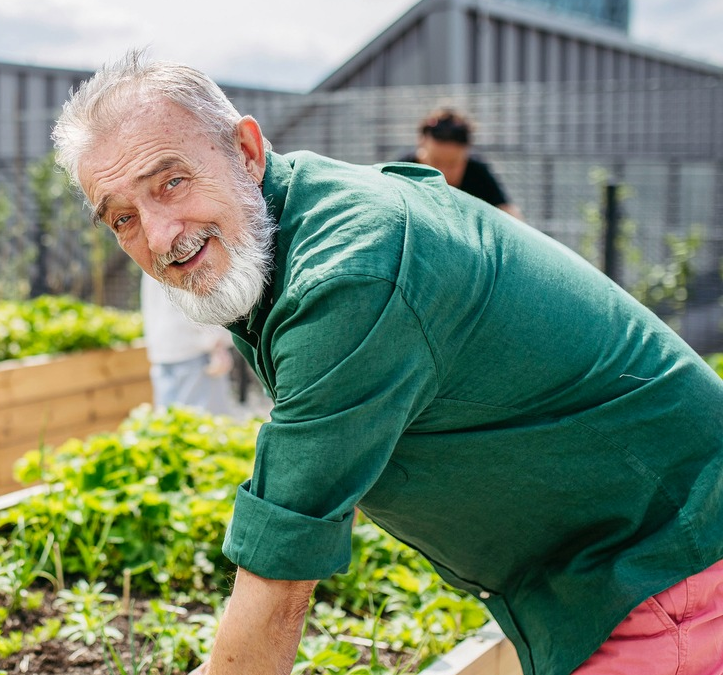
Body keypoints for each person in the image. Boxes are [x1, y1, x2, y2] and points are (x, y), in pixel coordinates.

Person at [52, 52, 723, 675]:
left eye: (170, 181)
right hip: (624, 569)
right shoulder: (285, 235)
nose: (160, 235)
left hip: (677, 567)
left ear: (247, 152)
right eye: (123, 219)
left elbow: (280, 575)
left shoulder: (348, 276)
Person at [399, 108, 523, 220]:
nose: (442, 173)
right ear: (421, 144)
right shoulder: (401, 171)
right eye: (436, 162)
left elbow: (507, 211)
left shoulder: (476, 172)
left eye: (452, 164)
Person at [141, 273, 237, 416]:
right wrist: (217, 344)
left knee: (168, 423)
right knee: (205, 424)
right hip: (196, 350)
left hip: (162, 349)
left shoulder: (150, 254)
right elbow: (198, 295)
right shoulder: (183, 255)